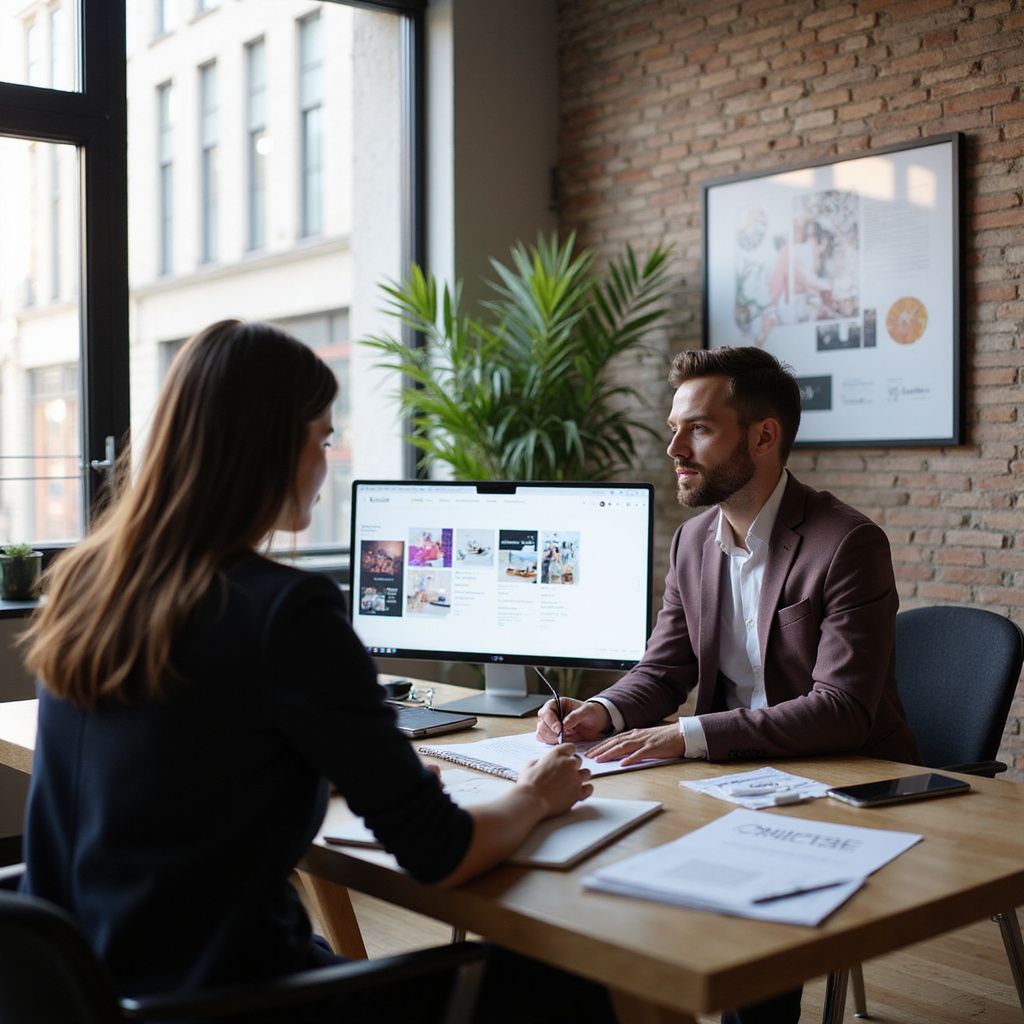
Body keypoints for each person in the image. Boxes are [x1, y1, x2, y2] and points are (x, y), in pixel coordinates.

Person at [18, 320, 613, 1023]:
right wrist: (537, 794)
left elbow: (182, 758)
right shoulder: (288, 611)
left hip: (92, 991)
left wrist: (308, 764)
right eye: (323, 439)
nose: (327, 463)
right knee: (567, 978)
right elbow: (439, 853)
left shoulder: (88, 588)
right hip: (228, 1004)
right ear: (274, 447)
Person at [536, 345, 918, 1024]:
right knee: (595, 884)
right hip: (728, 781)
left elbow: (843, 711)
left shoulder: (846, 543)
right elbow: (663, 670)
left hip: (838, 784)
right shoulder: (691, 543)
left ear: (764, 436)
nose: (676, 448)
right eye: (674, 429)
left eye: (700, 430)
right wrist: (600, 711)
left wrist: (683, 735)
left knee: (746, 947)